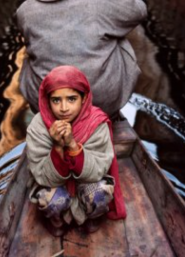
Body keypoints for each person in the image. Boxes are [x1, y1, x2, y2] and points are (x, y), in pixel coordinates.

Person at [16, 0, 147, 119]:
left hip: (49, 105)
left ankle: (55, 112)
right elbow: (138, 9)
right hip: (101, 101)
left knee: (28, 55)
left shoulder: (25, 12)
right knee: (118, 29)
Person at [26, 65, 126, 236]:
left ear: (84, 98)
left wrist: (72, 145)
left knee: (101, 191)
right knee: (48, 198)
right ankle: (56, 219)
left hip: (86, 184)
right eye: (56, 100)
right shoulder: (38, 126)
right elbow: (42, 176)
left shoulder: (97, 123)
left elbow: (97, 171)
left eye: (71, 99)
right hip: (56, 186)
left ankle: (92, 215)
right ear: (47, 101)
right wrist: (57, 146)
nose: (64, 108)